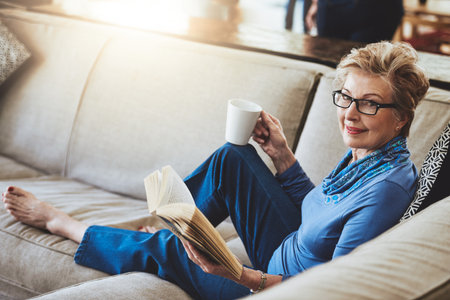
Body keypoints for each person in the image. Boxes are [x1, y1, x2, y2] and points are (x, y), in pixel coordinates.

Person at [2, 41, 429, 299]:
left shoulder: (385, 188)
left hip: (281, 285)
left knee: (174, 253)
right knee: (234, 156)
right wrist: (282, 155)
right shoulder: (373, 152)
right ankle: (168, 223)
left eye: (369, 103)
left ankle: (67, 225)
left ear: (402, 117)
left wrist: (237, 273)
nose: (350, 114)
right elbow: (321, 215)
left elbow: (331, 290)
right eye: (346, 97)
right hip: (289, 243)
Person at [305, 0, 404, 43]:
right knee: (326, 66)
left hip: (379, 10)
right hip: (332, 8)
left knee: (366, 68)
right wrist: (315, 3)